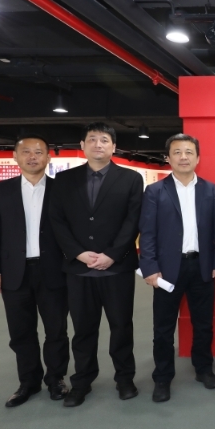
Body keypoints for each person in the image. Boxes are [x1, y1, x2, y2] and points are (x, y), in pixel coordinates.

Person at [49, 122, 143, 407]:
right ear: (82, 145)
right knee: (83, 330)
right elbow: (57, 221)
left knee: (121, 327)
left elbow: (133, 220)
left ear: (114, 146)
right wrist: (78, 253)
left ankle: (124, 378)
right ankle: (82, 382)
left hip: (117, 268)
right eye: (92, 139)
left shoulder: (130, 179)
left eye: (104, 140)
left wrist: (112, 254)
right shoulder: (65, 180)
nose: (98, 144)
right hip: (79, 269)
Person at [0, 133, 70, 407]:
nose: (32, 157)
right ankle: (28, 382)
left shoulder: (62, 190)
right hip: (14, 272)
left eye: (38, 152)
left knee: (56, 330)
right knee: (21, 332)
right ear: (15, 157)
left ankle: (56, 379)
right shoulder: (0, 190)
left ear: (48, 157)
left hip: (54, 271)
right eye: (26, 152)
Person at [138, 134, 215, 403]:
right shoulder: (155, 191)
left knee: (203, 324)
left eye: (189, 152)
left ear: (198, 158)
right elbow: (147, 233)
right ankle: (163, 378)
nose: (183, 157)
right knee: (163, 328)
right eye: (177, 152)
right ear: (168, 158)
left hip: (202, 267)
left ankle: (204, 369)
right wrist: (149, 267)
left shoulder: (210, 190)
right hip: (166, 271)